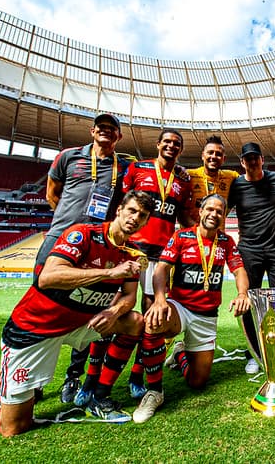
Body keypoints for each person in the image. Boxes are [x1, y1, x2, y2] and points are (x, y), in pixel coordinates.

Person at [0, 191, 154, 436]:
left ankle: (99, 395)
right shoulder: (83, 234)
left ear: (146, 222)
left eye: (142, 216)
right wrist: (109, 273)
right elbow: (48, 277)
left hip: (82, 323)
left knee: (134, 321)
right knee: (13, 427)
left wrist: (114, 311)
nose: (135, 218)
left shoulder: (132, 253)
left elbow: (129, 297)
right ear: (119, 210)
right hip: (36, 328)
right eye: (132, 211)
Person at [132, 194, 251, 423]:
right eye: (210, 209)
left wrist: (242, 294)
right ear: (201, 212)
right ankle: (154, 391)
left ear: (223, 216)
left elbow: (239, 271)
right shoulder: (182, 236)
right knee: (154, 321)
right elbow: (161, 269)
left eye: (219, 211)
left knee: (198, 382)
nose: (214, 214)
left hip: (207, 315)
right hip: (180, 307)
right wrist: (160, 299)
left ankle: (179, 353)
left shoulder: (226, 241)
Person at [41, 113, 132, 404]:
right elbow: (52, 194)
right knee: (44, 305)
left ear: (118, 136)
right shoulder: (68, 157)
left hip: (97, 247)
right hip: (60, 238)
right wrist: (70, 225)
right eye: (101, 127)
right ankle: (36, 379)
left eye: (112, 129)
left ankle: (73, 376)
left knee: (86, 311)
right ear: (92, 131)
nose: (106, 131)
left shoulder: (124, 166)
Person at [119, 128, 195, 397]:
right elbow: (120, 204)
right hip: (129, 250)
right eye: (167, 142)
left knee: (152, 317)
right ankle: (93, 379)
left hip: (159, 256)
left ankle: (137, 374)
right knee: (115, 308)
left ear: (180, 149)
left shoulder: (182, 180)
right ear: (158, 144)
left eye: (176, 144)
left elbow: (184, 216)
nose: (171, 146)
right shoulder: (137, 169)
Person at [227, 142, 275, 374]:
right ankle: (254, 352)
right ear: (242, 162)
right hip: (249, 250)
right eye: (248, 158)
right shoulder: (236, 185)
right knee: (248, 302)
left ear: (262, 159)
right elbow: (222, 210)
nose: (252, 162)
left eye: (256, 158)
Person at [188, 136, 240, 222]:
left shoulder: (231, 176)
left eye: (218, 154)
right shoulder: (189, 176)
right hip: (191, 230)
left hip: (218, 231)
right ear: (203, 155)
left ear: (223, 159)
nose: (214, 156)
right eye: (210, 152)